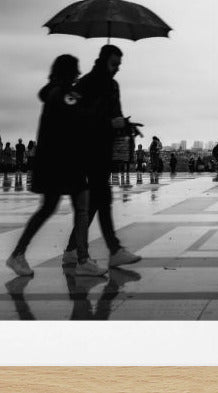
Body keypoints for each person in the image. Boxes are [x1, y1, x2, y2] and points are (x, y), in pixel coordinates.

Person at [6, 55, 105, 277]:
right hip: (66, 161)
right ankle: (81, 259)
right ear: (68, 73)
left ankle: (20, 254)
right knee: (82, 208)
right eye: (75, 71)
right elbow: (79, 118)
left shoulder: (54, 92)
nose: (78, 74)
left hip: (54, 161)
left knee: (51, 208)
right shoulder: (65, 95)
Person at [62, 44, 141, 268]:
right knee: (102, 199)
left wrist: (126, 125)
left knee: (97, 202)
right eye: (114, 64)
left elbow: (115, 115)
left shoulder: (112, 85)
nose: (117, 69)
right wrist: (108, 122)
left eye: (119, 66)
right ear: (104, 60)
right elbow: (72, 111)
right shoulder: (86, 83)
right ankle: (113, 250)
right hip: (87, 149)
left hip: (102, 148)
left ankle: (71, 249)